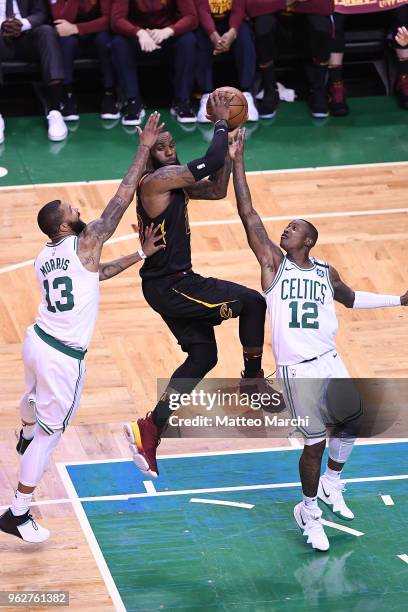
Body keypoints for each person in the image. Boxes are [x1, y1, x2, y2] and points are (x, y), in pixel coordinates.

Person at [231, 128, 408, 551]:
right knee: (312, 443)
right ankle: (308, 510)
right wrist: (237, 161)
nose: (285, 230)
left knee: (351, 422)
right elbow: (248, 214)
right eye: (286, 227)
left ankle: (332, 483)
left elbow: (351, 299)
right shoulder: (274, 266)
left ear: (308, 240)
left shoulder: (325, 271)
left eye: (293, 228)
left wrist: (398, 298)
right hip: (297, 370)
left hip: (330, 358)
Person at [0, 112, 164, 543]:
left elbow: (96, 275)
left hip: (37, 341)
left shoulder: (42, 258)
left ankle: (26, 428)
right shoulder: (86, 239)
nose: (80, 210)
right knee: (51, 439)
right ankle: (17, 512)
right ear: (62, 225)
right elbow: (122, 197)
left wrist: (139, 254)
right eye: (73, 210)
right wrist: (144, 148)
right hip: (62, 357)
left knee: (34, 407)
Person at [123, 92, 268, 479]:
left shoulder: (176, 184)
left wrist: (236, 157)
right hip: (174, 286)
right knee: (253, 302)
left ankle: (150, 428)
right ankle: (252, 381)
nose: (170, 150)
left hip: (170, 284)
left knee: (203, 357)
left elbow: (217, 186)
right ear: (151, 156)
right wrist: (221, 121)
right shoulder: (156, 182)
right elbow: (209, 160)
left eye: (172, 145)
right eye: (162, 146)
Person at [111, 0, 198, 125]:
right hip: (137, 35)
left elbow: (192, 17)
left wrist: (169, 30)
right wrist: (139, 33)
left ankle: (182, 100)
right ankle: (133, 101)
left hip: (166, 34)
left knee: (188, 40)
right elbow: (116, 20)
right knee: (118, 43)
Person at [247, 0, 334, 118]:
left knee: (321, 25)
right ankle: (270, 90)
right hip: (278, 26)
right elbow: (253, 8)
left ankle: (318, 91)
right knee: (262, 25)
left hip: (303, 27)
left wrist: (274, 4)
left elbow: (326, 7)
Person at [0, 0, 67, 142]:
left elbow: (41, 13)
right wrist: (3, 25)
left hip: (26, 36)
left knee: (47, 32)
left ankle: (55, 112)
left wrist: (22, 24)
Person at [329, 7, 408, 116]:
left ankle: (404, 79)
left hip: (381, 11)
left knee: (403, 9)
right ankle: (336, 86)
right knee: (331, 16)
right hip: (344, 10)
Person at [51, 0, 120, 121]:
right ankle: (67, 94)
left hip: (95, 35)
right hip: (70, 38)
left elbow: (109, 20)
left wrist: (77, 28)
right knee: (65, 41)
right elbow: (60, 20)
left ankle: (109, 92)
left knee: (104, 39)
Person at [196, 0, 258, 123]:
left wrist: (232, 32)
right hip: (207, 25)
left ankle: (246, 94)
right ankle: (206, 96)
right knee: (199, 36)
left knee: (245, 35)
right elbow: (202, 9)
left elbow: (239, 7)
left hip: (232, 25)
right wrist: (213, 36)